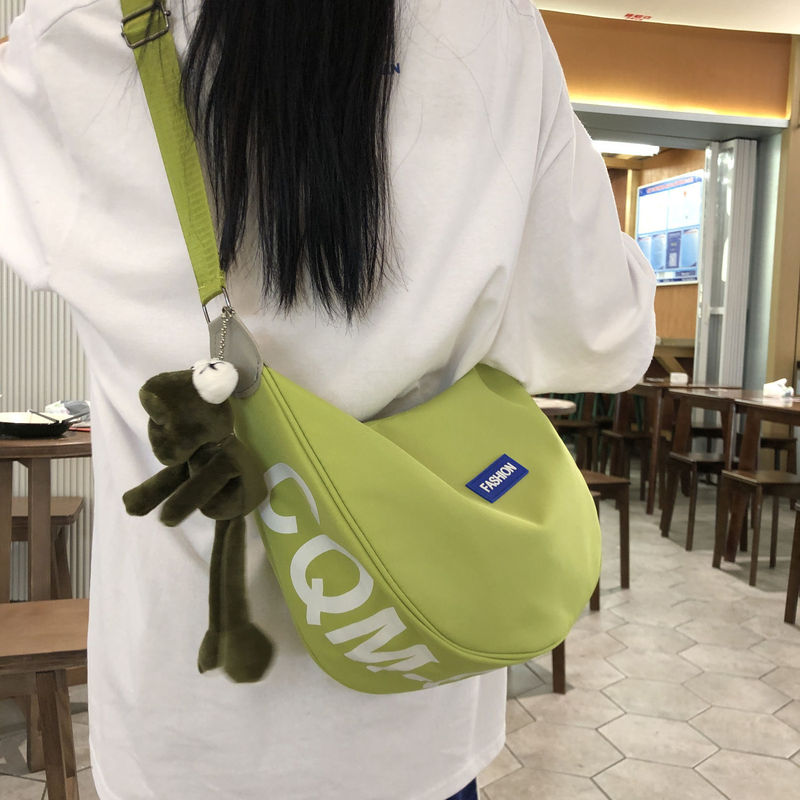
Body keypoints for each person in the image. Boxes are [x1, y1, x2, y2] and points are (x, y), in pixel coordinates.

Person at [0, 1, 656, 798]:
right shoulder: (493, 23)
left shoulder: (72, 31)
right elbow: (602, 336)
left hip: (184, 730)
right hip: (416, 718)